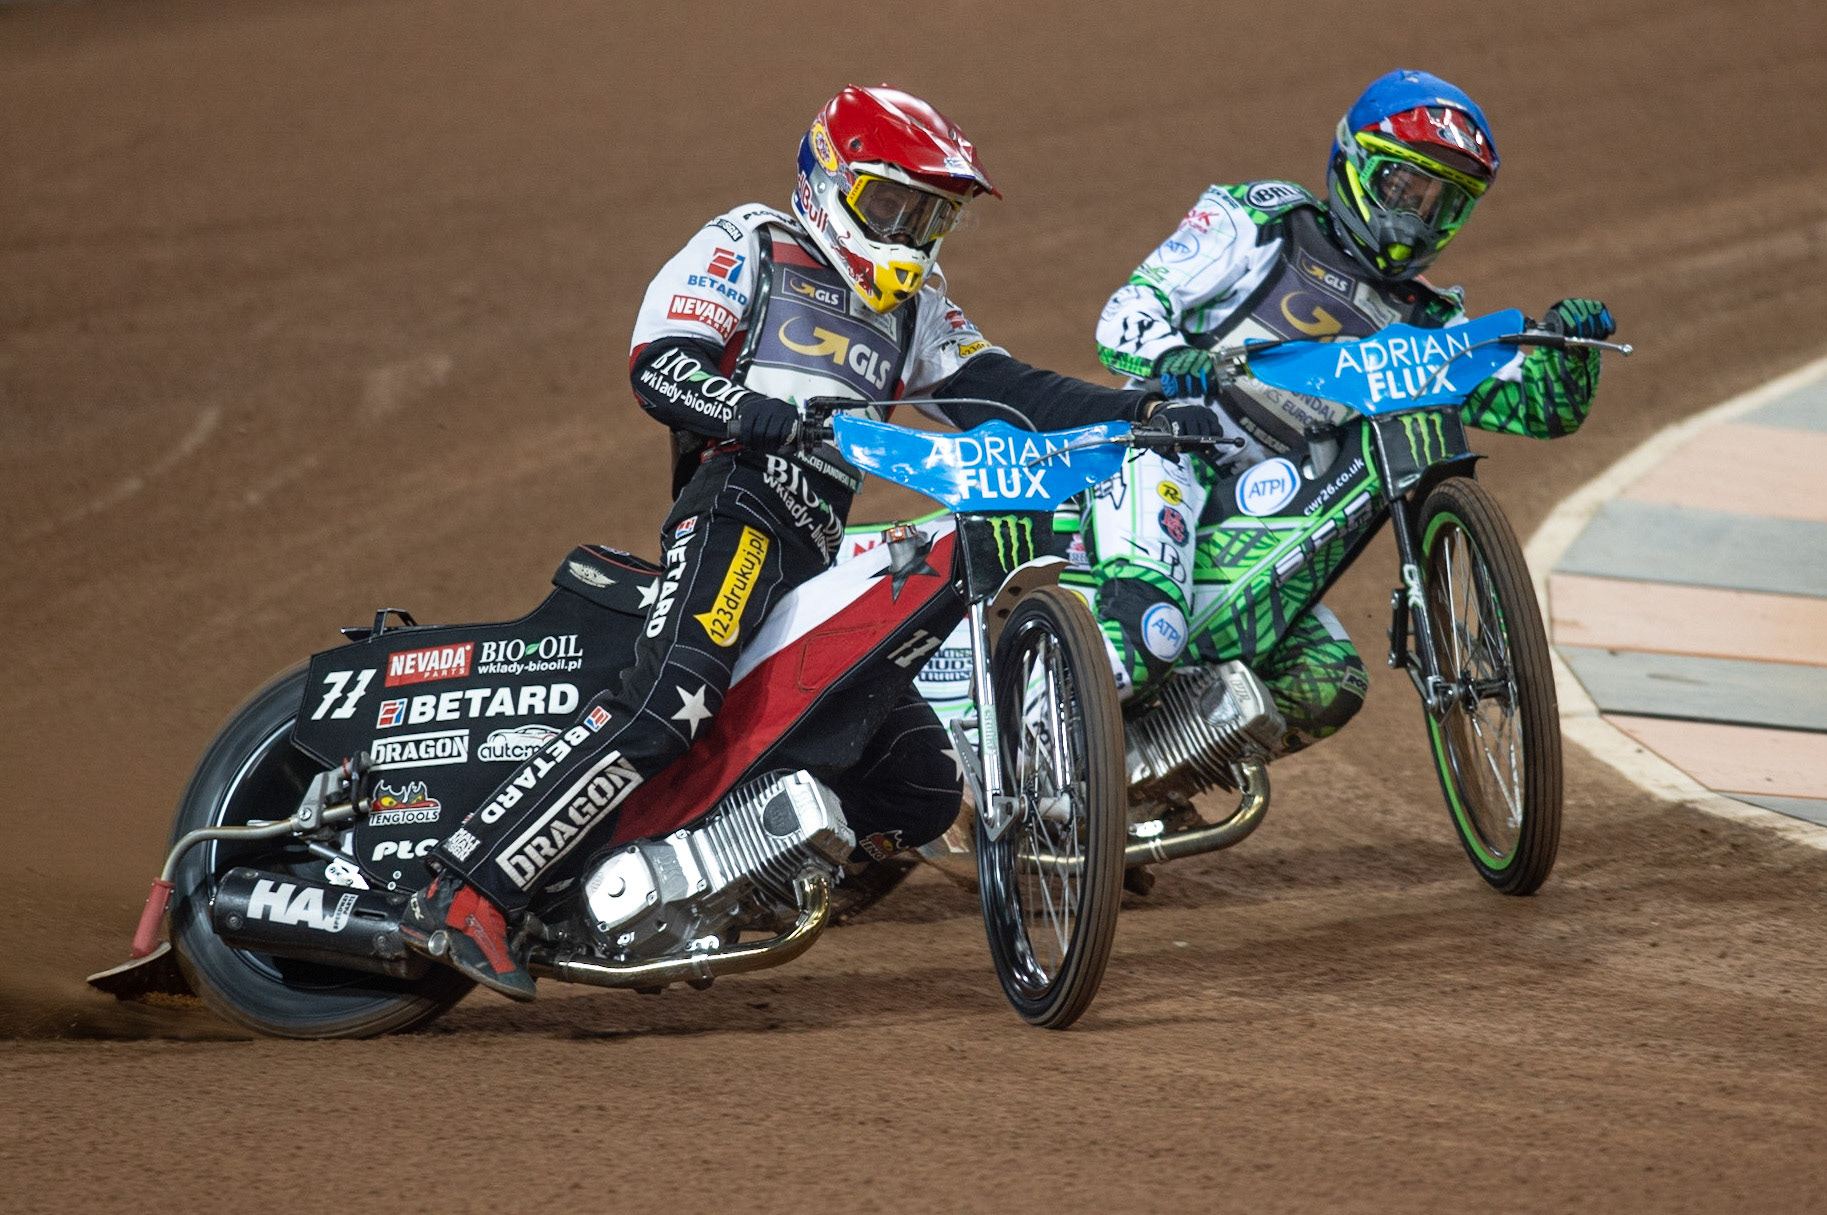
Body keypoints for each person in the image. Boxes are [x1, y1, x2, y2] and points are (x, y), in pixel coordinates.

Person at [397, 85, 1214, 999]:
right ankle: (466, 889)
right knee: (670, 699)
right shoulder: (751, 240)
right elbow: (660, 365)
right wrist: (765, 416)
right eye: (892, 205)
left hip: (820, 552)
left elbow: (1003, 388)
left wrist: (1139, 410)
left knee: (917, 785)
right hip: (738, 508)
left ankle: (717, 877)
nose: (908, 234)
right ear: (828, 180)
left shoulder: (915, 306)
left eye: (930, 216)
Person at [1068, 68, 1615, 756]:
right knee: (1142, 636)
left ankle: (1126, 790)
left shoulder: (1427, 321)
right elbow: (1127, 312)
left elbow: (1541, 407)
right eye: (1403, 187)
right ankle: (1020, 748)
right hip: (1163, 453)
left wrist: (1573, 350)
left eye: (1443, 203)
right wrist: (1171, 356)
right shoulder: (1261, 219)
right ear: (1353, 162)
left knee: (1327, 681)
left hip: (1263, 512)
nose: (1417, 215)